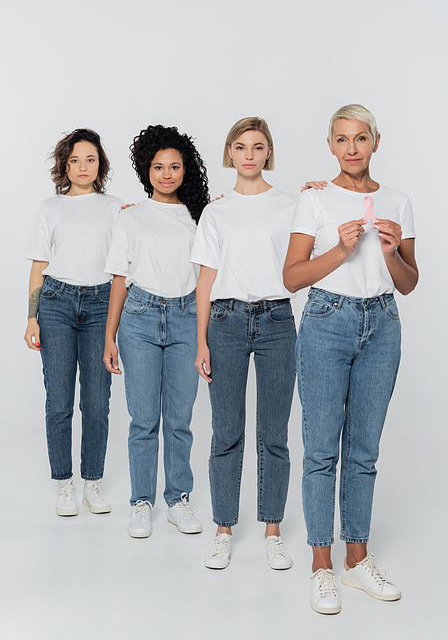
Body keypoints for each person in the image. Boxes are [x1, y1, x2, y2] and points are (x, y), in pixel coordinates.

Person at [283, 104, 418, 614]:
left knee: (364, 448)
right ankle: (322, 566)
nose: (352, 148)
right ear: (331, 146)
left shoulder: (399, 201)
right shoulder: (315, 199)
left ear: (376, 143)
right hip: (326, 322)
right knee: (321, 448)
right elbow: (292, 278)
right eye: (342, 139)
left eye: (361, 138)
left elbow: (408, 283)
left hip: (382, 324)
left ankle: (357, 560)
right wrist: (339, 252)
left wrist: (389, 252)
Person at [192, 117, 297, 571]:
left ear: (268, 152)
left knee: (274, 433)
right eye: (240, 146)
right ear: (230, 153)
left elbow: (314, 248)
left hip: (277, 321)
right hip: (226, 322)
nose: (249, 154)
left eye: (258, 146)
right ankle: (223, 528)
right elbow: (204, 281)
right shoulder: (216, 211)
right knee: (226, 430)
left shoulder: (293, 204)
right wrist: (201, 341)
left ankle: (273, 529)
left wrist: (321, 192)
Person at [103, 125, 210, 539]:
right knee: (143, 418)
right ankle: (141, 502)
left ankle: (178, 499)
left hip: (187, 317)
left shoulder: (201, 215)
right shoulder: (129, 217)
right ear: (146, 169)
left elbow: (208, 277)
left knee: (179, 419)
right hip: (140, 318)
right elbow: (119, 281)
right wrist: (109, 336)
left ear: (187, 170)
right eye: (158, 167)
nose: (167, 174)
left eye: (175, 167)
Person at [24, 129, 123, 517]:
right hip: (56, 304)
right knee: (59, 401)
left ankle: (92, 483)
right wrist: (31, 317)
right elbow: (38, 267)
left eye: (91, 159)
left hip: (101, 305)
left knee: (97, 402)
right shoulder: (50, 207)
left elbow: (123, 269)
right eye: (75, 160)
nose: (83, 167)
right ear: (65, 165)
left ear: (101, 164)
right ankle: (65, 484)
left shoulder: (116, 207)